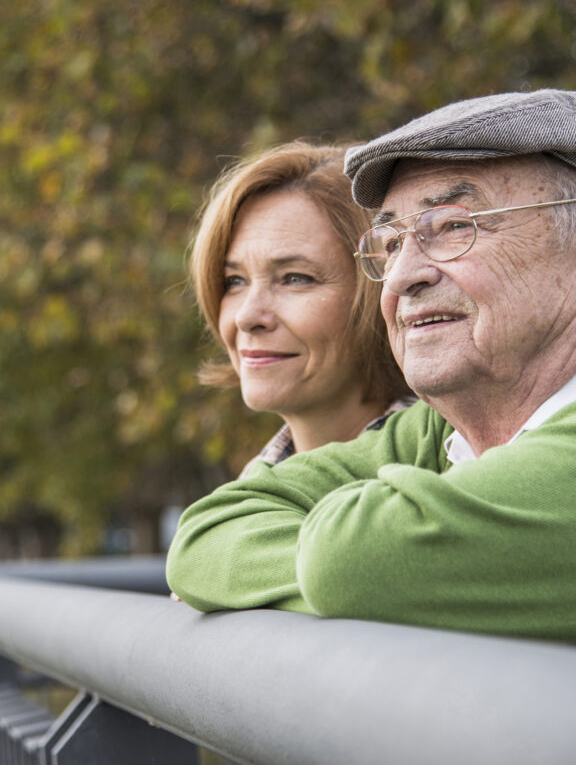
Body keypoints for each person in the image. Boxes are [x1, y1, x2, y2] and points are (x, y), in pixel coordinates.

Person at [167, 89, 576, 642]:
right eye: (389, 242)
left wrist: (338, 571)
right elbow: (206, 536)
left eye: (456, 225)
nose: (405, 274)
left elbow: (353, 561)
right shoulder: (438, 430)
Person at [190, 142, 411, 474]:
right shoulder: (245, 502)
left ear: (381, 285)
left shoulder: (459, 469)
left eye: (295, 278)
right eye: (234, 281)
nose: (248, 317)